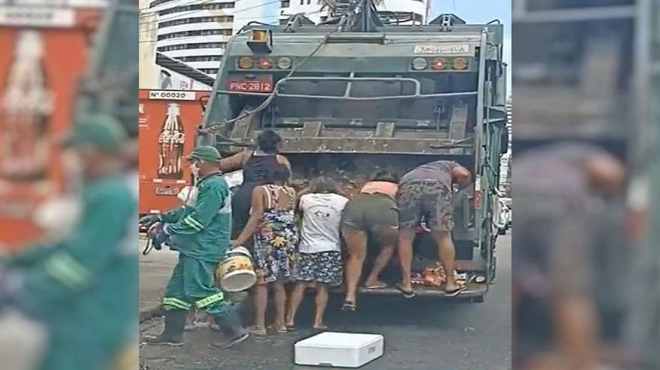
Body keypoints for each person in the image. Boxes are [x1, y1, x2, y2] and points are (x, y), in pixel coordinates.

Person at [0, 115, 138, 370]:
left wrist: (24, 290)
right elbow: (69, 244)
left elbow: (79, 263)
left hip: (93, 318)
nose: (70, 161)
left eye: (74, 152)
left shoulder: (111, 197)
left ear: (90, 152)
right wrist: (17, 258)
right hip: (83, 315)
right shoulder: (103, 192)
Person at [513, 143, 625, 370]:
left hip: (518, 201)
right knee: (572, 291)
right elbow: (609, 172)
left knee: (516, 282)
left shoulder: (533, 160)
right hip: (561, 203)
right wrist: (614, 197)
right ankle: (583, 363)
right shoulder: (588, 153)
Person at [144, 146, 249, 348]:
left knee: (200, 289)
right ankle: (172, 335)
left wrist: (167, 230)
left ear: (202, 162)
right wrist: (161, 217)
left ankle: (234, 331)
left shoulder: (214, 186)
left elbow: (198, 220)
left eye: (194, 162)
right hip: (194, 248)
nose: (192, 166)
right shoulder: (206, 184)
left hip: (203, 248)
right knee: (177, 292)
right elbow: (187, 211)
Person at [233, 164, 298, 335]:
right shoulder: (291, 192)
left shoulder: (261, 190)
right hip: (287, 239)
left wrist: (240, 241)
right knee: (279, 282)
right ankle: (280, 323)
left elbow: (257, 216)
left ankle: (260, 325)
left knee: (261, 281)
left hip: (268, 239)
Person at [396, 160, 472, 298]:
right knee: (443, 237)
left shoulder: (418, 170)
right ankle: (450, 283)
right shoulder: (450, 164)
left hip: (408, 185)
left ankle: (406, 284)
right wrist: (462, 187)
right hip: (436, 187)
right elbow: (464, 174)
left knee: (405, 237)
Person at [286, 177, 349, 330]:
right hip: (330, 248)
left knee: (300, 284)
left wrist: (307, 189)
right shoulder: (342, 201)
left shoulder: (306, 199)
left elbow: (295, 201)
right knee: (323, 287)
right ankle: (317, 321)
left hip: (307, 248)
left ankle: (290, 319)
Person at [340, 170, 400, 311]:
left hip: (355, 206)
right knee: (389, 245)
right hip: (383, 207)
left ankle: (350, 296)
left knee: (356, 256)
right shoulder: (397, 187)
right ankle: (372, 279)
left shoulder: (365, 186)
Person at [218, 129, 292, 239]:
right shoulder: (281, 160)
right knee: (263, 232)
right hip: (266, 198)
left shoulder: (246, 156)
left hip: (243, 197)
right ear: (277, 144)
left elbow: (219, 166)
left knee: (238, 229)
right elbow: (287, 183)